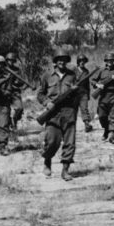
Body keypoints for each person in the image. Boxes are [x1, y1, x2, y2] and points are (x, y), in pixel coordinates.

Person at [37, 50, 78, 180]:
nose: (62, 62)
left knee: (70, 143)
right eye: (59, 59)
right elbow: (40, 94)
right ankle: (47, 161)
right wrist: (46, 102)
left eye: (64, 59)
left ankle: (65, 170)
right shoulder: (47, 76)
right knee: (52, 141)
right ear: (55, 61)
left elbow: (80, 94)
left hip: (68, 112)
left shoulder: (72, 75)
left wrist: (75, 93)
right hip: (52, 113)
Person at [91, 53, 114, 143]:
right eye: (108, 60)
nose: (109, 62)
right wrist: (98, 84)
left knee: (113, 116)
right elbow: (92, 80)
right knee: (102, 116)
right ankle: (106, 130)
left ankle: (111, 135)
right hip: (103, 95)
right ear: (105, 61)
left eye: (111, 60)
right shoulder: (101, 70)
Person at [0, 56, 12, 156]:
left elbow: (9, 90)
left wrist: (4, 92)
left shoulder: (8, 75)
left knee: (4, 124)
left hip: (3, 102)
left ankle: (2, 145)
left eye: (1, 64)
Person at [5, 52, 24, 138]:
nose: (11, 62)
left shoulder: (17, 70)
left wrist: (15, 82)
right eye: (9, 60)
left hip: (15, 92)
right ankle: (9, 126)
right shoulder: (3, 69)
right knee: (6, 111)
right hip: (4, 93)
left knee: (19, 108)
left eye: (13, 61)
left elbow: (20, 82)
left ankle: (14, 120)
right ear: (6, 60)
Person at [75, 54, 93, 133]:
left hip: (83, 93)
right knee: (73, 110)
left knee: (84, 109)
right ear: (78, 62)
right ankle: (70, 126)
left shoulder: (86, 71)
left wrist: (88, 94)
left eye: (83, 61)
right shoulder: (73, 71)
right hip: (74, 93)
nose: (82, 62)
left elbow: (87, 84)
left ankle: (87, 124)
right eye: (80, 61)